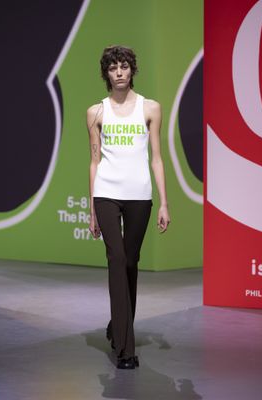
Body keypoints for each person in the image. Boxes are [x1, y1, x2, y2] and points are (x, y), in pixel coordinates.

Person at [87, 45, 170, 369]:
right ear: (106, 74)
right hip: (107, 193)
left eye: (124, 67)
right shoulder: (96, 112)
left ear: (132, 70)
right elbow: (94, 162)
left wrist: (164, 202)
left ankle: (117, 326)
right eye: (113, 68)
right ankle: (125, 348)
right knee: (116, 258)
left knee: (131, 262)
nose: (119, 72)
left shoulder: (151, 108)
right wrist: (93, 206)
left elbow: (157, 158)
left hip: (140, 195)